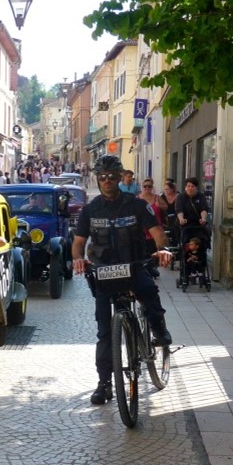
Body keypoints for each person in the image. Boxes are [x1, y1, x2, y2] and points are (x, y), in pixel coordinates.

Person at [72, 155, 173, 405]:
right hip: (104, 272)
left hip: (134, 265)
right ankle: (104, 383)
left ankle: (160, 332)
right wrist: (78, 259)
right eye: (102, 177)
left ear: (120, 178)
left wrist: (162, 249)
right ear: (98, 179)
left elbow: (158, 233)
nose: (107, 181)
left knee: (149, 292)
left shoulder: (137, 205)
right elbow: (78, 244)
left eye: (112, 177)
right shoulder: (90, 209)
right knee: (104, 332)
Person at [176, 177, 210, 248]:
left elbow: (203, 209)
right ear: (186, 187)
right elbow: (179, 209)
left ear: (196, 187)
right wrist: (181, 219)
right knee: (185, 245)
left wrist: (203, 219)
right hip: (185, 225)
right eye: (188, 186)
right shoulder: (181, 197)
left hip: (198, 225)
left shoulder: (201, 196)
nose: (190, 188)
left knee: (201, 245)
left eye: (192, 186)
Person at [137, 178, 168, 255]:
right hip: (142, 229)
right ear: (142, 187)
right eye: (145, 186)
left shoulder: (156, 197)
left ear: (152, 187)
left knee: (154, 249)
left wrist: (159, 205)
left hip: (155, 227)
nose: (147, 188)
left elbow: (166, 207)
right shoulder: (137, 198)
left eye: (149, 186)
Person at [160, 178, 180, 247]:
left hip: (176, 218)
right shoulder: (162, 197)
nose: (166, 191)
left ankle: (176, 243)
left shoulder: (179, 196)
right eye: (165, 189)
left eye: (167, 189)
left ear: (172, 189)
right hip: (165, 218)